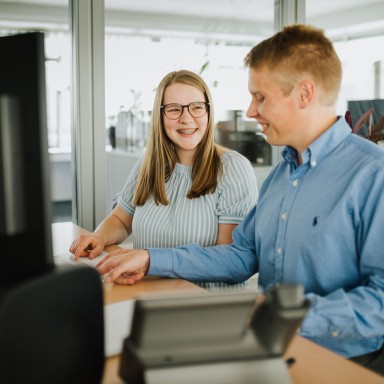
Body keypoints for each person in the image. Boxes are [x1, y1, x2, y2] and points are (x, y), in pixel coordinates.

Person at [95, 25, 384, 375]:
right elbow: (239, 255)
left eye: (260, 97)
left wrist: (278, 315)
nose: (250, 111)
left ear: (304, 94)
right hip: (272, 350)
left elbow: (379, 302)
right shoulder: (283, 175)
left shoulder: (373, 175)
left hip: (345, 363)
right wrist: (148, 258)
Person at [70, 69, 258, 290]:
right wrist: (99, 236)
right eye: (174, 109)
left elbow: (229, 262)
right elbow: (122, 219)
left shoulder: (232, 168)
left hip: (205, 305)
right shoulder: (149, 164)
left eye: (197, 107)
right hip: (148, 292)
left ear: (208, 112)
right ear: (160, 116)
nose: (186, 118)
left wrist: (151, 259)